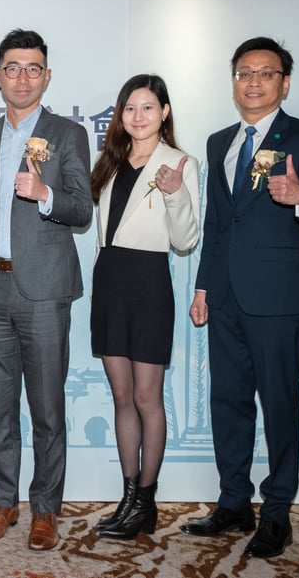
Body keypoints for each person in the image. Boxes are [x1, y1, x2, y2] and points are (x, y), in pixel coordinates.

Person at [181, 37, 299, 559]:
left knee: (278, 405)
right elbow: (216, 222)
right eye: (244, 73)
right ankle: (233, 502)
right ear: (233, 82)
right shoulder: (218, 141)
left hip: (279, 298)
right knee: (226, 403)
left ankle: (276, 514)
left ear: (284, 82)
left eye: (266, 73)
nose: (253, 82)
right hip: (225, 297)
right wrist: (204, 285)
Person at [0, 29, 92, 551]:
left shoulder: (68, 134)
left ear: (46, 76)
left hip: (44, 292)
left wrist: (45, 194)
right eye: (12, 67)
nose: (22, 77)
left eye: (32, 68)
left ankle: (46, 508)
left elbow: (82, 209)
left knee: (46, 408)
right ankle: (5, 502)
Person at [88, 74, 199, 540]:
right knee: (121, 396)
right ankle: (128, 497)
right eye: (130, 108)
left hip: (149, 283)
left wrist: (175, 192)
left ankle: (146, 501)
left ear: (165, 113)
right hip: (110, 280)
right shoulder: (110, 161)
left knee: (146, 396)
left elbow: (186, 240)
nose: (138, 116)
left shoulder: (179, 163)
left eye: (148, 108)